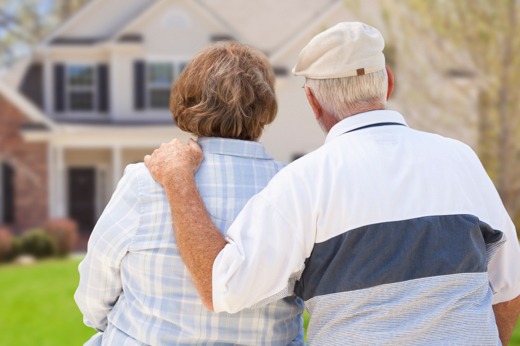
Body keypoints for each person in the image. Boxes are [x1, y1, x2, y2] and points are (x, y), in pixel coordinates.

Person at [144, 22, 520, 345]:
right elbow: (508, 286)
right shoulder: (460, 159)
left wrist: (179, 180)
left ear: (312, 101)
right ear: (387, 83)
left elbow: (221, 287)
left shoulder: (304, 182)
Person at [75, 42, 305, 345]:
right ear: (265, 108)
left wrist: (112, 326)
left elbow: (97, 285)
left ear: (187, 102)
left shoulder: (145, 181)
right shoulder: (296, 187)